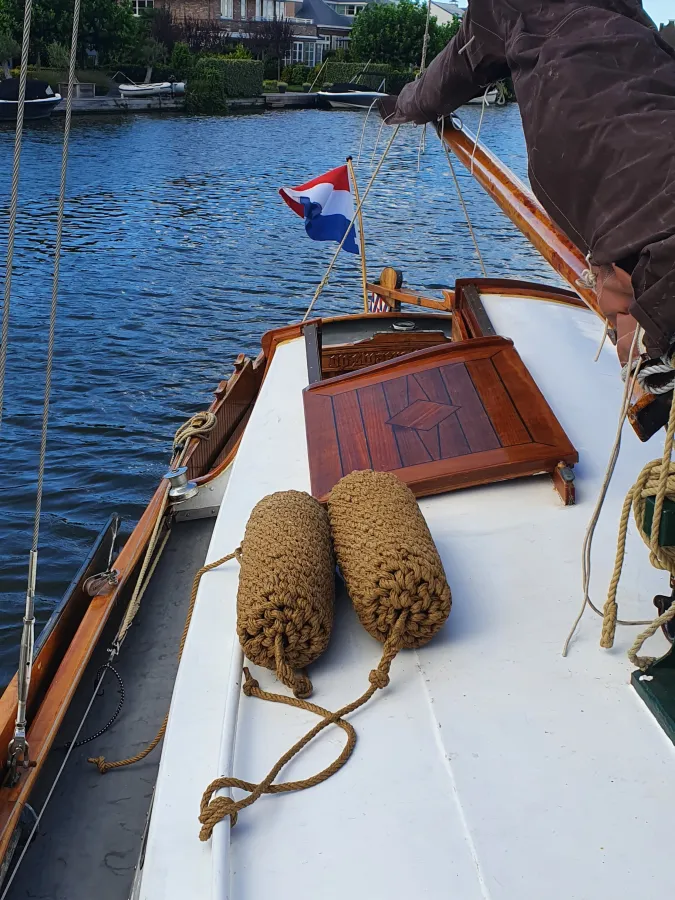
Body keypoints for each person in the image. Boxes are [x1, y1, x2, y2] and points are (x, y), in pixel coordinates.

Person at [379, 0, 675, 366]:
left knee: (651, 337)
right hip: (652, 220)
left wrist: (404, 105)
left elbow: (449, 74)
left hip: (649, 245)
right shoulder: (632, 17)